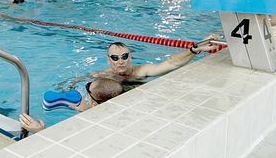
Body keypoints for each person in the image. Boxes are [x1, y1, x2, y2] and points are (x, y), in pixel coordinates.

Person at [21, 37, 221, 132]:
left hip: (135, 106)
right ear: (109, 60)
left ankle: (76, 108)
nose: (120, 61)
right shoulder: (101, 76)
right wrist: (66, 87)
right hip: (109, 110)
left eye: (124, 56)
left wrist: (194, 49)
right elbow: (77, 79)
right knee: (96, 97)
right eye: (115, 58)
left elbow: (170, 63)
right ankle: (74, 108)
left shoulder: (141, 71)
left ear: (130, 56)